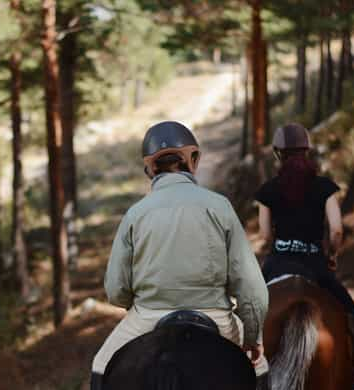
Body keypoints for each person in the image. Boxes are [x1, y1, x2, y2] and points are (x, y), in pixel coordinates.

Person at [90, 121, 269, 390]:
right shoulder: (219, 207)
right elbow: (252, 289)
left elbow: (115, 289)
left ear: (150, 168)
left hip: (149, 315)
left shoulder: (135, 214)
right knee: (261, 369)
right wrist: (252, 337)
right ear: (193, 159)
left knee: (100, 366)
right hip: (216, 317)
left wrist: (139, 304)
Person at [254, 123, 354, 369]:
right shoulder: (325, 187)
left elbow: (263, 234)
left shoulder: (268, 191)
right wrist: (332, 254)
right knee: (349, 311)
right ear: (307, 151)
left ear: (278, 153)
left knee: (250, 312)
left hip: (278, 262)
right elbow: (336, 229)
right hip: (315, 264)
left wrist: (281, 243)